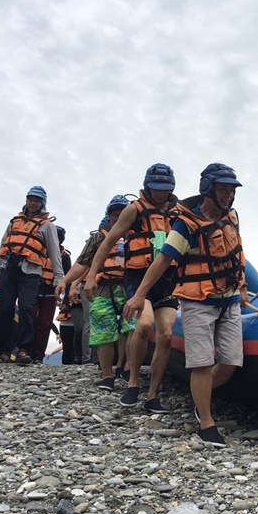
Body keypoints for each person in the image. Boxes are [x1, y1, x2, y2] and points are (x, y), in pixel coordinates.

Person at [123, 163, 247, 448]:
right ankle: (206, 422)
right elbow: (163, 260)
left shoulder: (233, 217)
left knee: (229, 362)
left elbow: (238, 252)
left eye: (231, 190)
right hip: (198, 301)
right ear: (208, 189)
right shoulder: (186, 224)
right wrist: (140, 293)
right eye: (223, 189)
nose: (228, 195)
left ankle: (198, 397)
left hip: (228, 300)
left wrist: (242, 287)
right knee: (202, 363)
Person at [86, 164, 180, 413]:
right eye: (155, 189)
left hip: (167, 279)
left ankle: (152, 395)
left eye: (165, 190)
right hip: (137, 277)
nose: (160, 194)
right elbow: (108, 242)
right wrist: (92, 275)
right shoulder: (134, 210)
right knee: (145, 324)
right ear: (147, 186)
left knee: (167, 334)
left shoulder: (176, 213)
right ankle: (133, 382)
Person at [57, 196, 136, 391]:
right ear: (108, 217)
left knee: (130, 327)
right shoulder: (98, 238)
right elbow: (82, 263)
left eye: (121, 215)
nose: (117, 219)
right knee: (102, 331)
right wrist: (66, 281)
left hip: (128, 287)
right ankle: (107, 375)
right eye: (114, 215)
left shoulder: (135, 236)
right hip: (102, 287)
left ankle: (124, 367)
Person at [0, 186, 64, 365]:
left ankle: (24, 350)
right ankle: (4, 350)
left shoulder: (47, 226)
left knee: (26, 308)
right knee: (5, 309)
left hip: (31, 273)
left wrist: (58, 279)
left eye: (37, 200)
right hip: (9, 269)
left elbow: (55, 253)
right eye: (30, 199)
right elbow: (3, 246)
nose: (32, 203)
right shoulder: (14, 221)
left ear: (42, 203)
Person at [31, 226, 72, 364]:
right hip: (33, 290)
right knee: (30, 320)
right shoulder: (37, 252)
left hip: (50, 293)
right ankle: (25, 351)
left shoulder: (64, 257)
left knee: (44, 324)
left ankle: (38, 356)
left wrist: (66, 299)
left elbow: (69, 279)